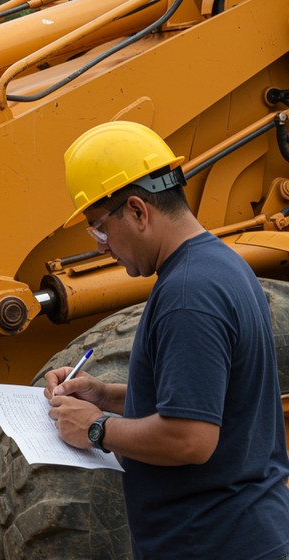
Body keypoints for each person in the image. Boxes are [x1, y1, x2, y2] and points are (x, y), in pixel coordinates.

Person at [45, 121, 289, 558]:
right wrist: (103, 395)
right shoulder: (217, 267)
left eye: (99, 228)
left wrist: (95, 428)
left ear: (138, 210)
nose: (101, 246)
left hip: (214, 543)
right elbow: (205, 399)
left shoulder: (187, 294)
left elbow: (190, 438)